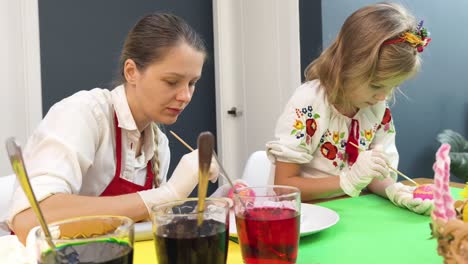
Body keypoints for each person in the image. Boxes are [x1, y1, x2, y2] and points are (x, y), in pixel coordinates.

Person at [5, 13, 218, 243]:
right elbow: (29, 221)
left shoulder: (158, 144)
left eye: (192, 83)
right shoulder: (84, 114)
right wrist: (167, 195)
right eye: (171, 81)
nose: (185, 95)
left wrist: (210, 207)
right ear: (131, 72)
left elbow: (137, 229)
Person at [266, 3, 433, 215]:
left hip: (353, 215)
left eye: (393, 86)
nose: (383, 96)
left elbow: (373, 177)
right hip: (306, 218)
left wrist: (394, 190)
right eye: (376, 85)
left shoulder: (376, 107)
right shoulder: (309, 104)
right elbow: (283, 188)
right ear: (348, 65)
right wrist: (347, 180)